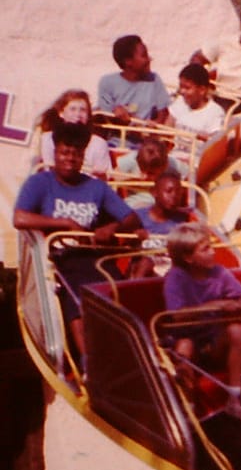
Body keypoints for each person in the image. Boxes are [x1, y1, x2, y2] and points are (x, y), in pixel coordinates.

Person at [13, 120, 144, 358]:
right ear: (55, 153)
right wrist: (64, 223)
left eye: (76, 154)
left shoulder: (96, 187)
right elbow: (20, 218)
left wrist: (112, 227)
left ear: (83, 155)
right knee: (79, 295)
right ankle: (90, 363)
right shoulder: (40, 182)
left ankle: (126, 355)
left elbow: (132, 218)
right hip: (60, 257)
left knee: (117, 291)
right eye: (65, 153)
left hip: (92, 256)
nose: (70, 159)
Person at [163, 223, 241, 417]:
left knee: (237, 330)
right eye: (205, 249)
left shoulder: (219, 272)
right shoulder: (175, 277)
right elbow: (177, 315)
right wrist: (218, 305)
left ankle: (234, 398)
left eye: (211, 247)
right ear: (188, 258)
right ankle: (188, 408)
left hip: (214, 344)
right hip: (187, 343)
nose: (213, 252)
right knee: (184, 348)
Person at [130, 170, 197, 277]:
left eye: (178, 192)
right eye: (169, 191)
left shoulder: (185, 219)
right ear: (154, 192)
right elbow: (122, 245)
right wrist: (134, 238)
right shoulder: (136, 217)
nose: (174, 196)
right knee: (145, 263)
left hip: (171, 270)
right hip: (144, 269)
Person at [37, 89, 112, 178]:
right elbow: (49, 169)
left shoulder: (98, 143)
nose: (78, 114)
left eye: (83, 110)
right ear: (61, 113)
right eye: (72, 109)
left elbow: (101, 177)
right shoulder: (48, 138)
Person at [97, 35, 171, 124]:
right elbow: (106, 110)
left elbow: (163, 113)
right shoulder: (107, 82)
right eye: (144, 55)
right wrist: (115, 110)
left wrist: (154, 125)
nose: (149, 59)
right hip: (118, 136)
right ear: (128, 61)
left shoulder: (154, 79)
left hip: (146, 136)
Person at [168, 63, 225, 140]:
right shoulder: (180, 102)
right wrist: (156, 129)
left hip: (198, 151)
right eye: (181, 87)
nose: (182, 91)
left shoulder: (215, 112)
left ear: (202, 90)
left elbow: (215, 143)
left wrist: (206, 138)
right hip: (176, 150)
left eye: (187, 88)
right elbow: (167, 128)